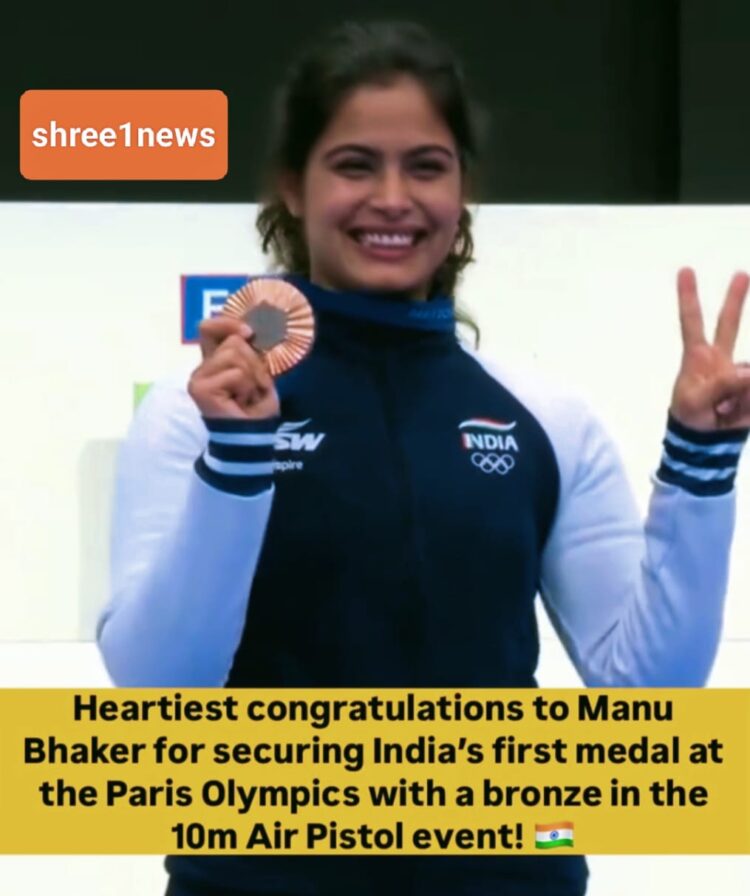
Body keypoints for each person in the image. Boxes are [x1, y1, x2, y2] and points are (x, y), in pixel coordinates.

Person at [96, 19, 750, 896]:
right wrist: (240, 459)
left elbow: (650, 693)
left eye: (427, 166)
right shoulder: (195, 418)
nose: (393, 197)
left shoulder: (545, 418)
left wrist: (701, 463)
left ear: (463, 192)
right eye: (356, 164)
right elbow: (159, 694)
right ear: (293, 185)